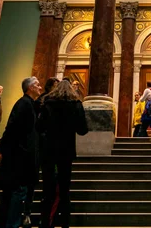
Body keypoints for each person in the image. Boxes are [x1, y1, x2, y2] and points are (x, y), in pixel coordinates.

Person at [37, 78, 88, 228]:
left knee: (47, 191)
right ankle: (65, 224)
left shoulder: (48, 103)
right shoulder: (76, 104)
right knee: (65, 191)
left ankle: (45, 223)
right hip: (66, 151)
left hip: (49, 150)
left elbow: (39, 127)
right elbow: (82, 130)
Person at [0, 77, 42, 228]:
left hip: (22, 158)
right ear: (29, 88)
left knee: (15, 195)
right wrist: (2, 149)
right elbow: (12, 129)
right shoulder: (24, 104)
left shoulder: (30, 105)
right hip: (20, 159)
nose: (40, 87)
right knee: (16, 195)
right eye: (37, 85)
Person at [23, 77, 59, 228]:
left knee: (41, 182)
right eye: (56, 86)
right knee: (34, 181)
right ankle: (29, 213)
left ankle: (31, 214)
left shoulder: (40, 101)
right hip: (41, 147)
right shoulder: (41, 102)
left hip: (44, 147)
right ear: (51, 87)